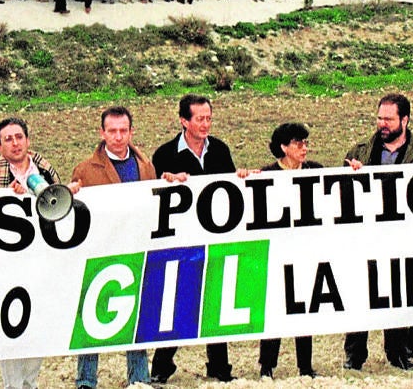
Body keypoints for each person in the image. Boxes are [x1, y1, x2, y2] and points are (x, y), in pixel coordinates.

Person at [0, 117, 80, 388]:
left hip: (42, 262)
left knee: (38, 323)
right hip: (8, 266)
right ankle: (13, 384)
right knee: (10, 326)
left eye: (19, 137)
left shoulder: (45, 169)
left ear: (27, 140)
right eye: (8, 139)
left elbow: (61, 210)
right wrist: (4, 198)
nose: (15, 143)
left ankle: (30, 382)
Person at [341, 93, 413, 371]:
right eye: (379, 118)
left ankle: (397, 353)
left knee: (397, 294)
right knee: (361, 294)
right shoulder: (359, 151)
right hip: (366, 237)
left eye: (388, 119)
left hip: (404, 237)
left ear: (404, 120)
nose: (382, 124)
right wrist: (351, 175)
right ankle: (354, 354)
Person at [150, 95, 240, 384]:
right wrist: (165, 181)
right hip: (180, 240)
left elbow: (231, 189)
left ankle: (219, 367)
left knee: (214, 300)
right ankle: (162, 366)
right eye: (199, 118)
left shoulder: (220, 150)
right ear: (184, 121)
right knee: (179, 301)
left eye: (209, 118)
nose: (205, 124)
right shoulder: (164, 154)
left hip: (214, 237)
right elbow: (152, 195)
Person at [70, 107, 157, 389]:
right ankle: (85, 379)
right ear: (102, 133)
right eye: (112, 131)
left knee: (136, 315)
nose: (118, 137)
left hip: (136, 249)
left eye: (123, 131)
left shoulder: (145, 166)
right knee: (90, 316)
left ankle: (139, 376)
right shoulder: (85, 169)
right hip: (98, 252)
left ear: (131, 132)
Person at [257, 122, 320, 379]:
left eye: (306, 143)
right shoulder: (266, 174)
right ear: (283, 147)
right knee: (274, 308)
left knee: (304, 308)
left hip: (305, 250)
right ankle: (267, 365)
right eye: (298, 143)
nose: (304, 148)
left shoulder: (317, 170)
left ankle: (305, 365)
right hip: (276, 251)